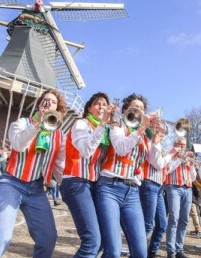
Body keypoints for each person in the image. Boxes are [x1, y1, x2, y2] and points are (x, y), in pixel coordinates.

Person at [0, 89, 67, 257]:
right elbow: (18, 145)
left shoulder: (59, 135)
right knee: (2, 236)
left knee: (48, 238)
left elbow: (59, 166)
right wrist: (36, 123)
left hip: (36, 189)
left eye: (53, 102)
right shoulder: (22, 123)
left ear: (57, 109)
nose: (49, 103)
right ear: (39, 104)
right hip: (12, 183)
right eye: (46, 100)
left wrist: (68, 186)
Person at [94, 93, 161, 258]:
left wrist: (157, 140)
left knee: (140, 252)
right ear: (125, 110)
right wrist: (141, 128)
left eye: (142, 108)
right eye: (135, 107)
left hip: (132, 192)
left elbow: (157, 163)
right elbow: (121, 148)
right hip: (109, 187)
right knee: (113, 251)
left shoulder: (144, 135)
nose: (140, 110)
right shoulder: (116, 124)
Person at [60, 92, 113, 258]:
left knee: (104, 239)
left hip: (93, 184)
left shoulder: (105, 131)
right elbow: (86, 150)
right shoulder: (81, 124)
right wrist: (103, 124)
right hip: (76, 181)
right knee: (91, 240)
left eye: (105, 105)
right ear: (89, 107)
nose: (102, 107)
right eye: (98, 104)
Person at [140, 125, 178, 258]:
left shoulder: (159, 147)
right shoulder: (149, 143)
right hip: (148, 183)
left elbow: (164, 169)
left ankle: (151, 252)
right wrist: (171, 154)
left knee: (162, 224)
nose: (162, 137)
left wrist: (175, 158)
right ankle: (137, 252)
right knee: (147, 223)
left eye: (163, 135)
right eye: (160, 134)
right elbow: (158, 164)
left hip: (159, 186)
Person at [165, 136, 197, 258]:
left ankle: (179, 249)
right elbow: (167, 170)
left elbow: (193, 178)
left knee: (184, 220)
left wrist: (192, 163)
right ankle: (170, 251)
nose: (182, 146)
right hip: (173, 187)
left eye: (184, 144)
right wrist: (180, 159)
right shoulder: (171, 155)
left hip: (188, 189)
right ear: (175, 144)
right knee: (174, 218)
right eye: (179, 144)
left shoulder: (188, 158)